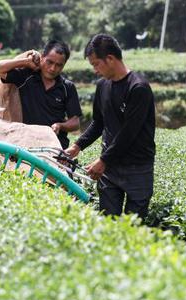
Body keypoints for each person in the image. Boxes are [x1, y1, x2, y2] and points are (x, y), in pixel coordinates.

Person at [65, 34, 156, 219]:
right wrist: (77, 146)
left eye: (96, 64)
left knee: (134, 228)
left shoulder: (138, 88)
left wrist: (103, 161)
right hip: (110, 169)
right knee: (109, 224)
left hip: (137, 167)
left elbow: (129, 133)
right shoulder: (103, 86)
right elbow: (99, 122)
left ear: (110, 59)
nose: (95, 70)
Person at [0, 40, 82, 149]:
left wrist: (60, 126)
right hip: (26, 143)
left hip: (54, 144)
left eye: (58, 65)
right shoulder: (26, 77)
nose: (53, 68)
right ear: (42, 57)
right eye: (50, 62)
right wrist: (25, 62)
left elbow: (75, 122)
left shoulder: (67, 87)